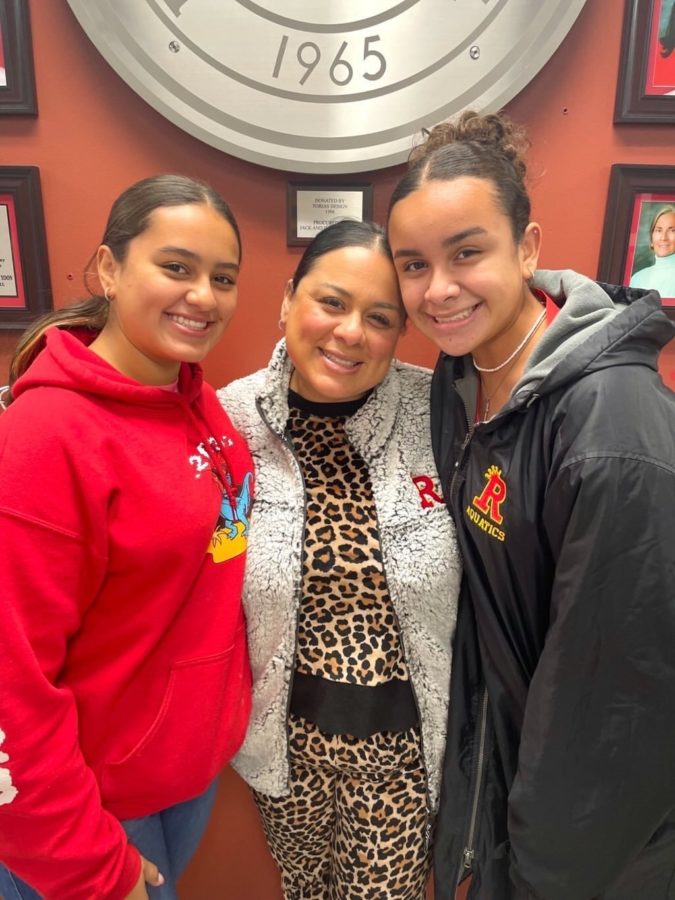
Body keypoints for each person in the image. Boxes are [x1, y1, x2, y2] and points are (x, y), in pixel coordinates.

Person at [387, 111, 675, 899]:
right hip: (498, 787)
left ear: (527, 247)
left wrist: (537, 872)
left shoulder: (609, 431)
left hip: (591, 846)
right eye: (413, 265)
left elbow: (612, 708)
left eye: (466, 253)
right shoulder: (459, 380)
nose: (437, 290)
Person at [0, 174, 254, 900]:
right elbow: (10, 687)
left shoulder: (196, 399)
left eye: (222, 277)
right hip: (89, 812)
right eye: (176, 267)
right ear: (109, 269)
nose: (202, 295)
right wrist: (90, 867)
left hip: (177, 778)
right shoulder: (44, 440)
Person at [218, 219, 461, 899]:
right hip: (282, 749)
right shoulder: (227, 422)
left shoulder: (439, 412)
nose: (350, 331)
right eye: (331, 302)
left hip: (406, 756)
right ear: (289, 299)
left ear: (400, 330)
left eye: (379, 317)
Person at [629, 205, 675, 298]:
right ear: (651, 239)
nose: (663, 238)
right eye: (658, 230)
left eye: (672, 231)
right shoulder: (636, 279)